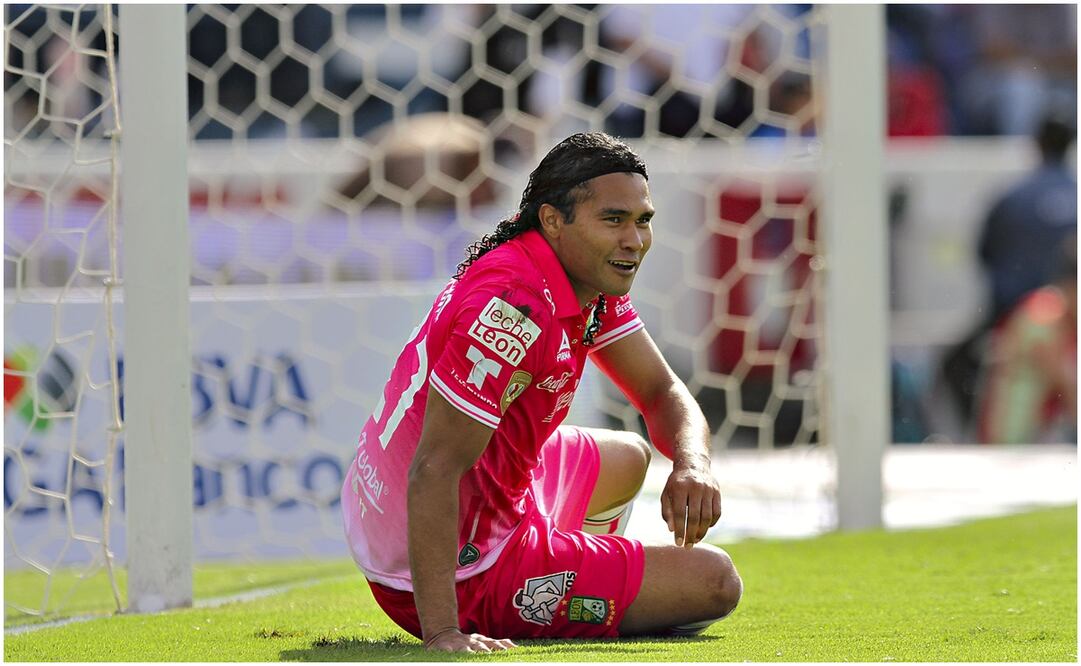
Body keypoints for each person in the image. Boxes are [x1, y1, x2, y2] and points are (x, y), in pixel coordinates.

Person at [341, 132, 742, 652]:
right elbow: (434, 469)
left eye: (642, 220)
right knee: (714, 582)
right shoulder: (511, 312)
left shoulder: (577, 272)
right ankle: (546, 588)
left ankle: (564, 571)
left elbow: (661, 391)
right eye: (613, 220)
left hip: (473, 498)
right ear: (554, 220)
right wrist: (443, 632)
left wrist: (693, 463)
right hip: (452, 566)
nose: (634, 240)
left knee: (629, 456)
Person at [939, 107, 1076, 434]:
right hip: (1068, 320)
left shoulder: (1013, 197)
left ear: (1037, 143)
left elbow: (984, 253)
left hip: (1015, 317)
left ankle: (972, 441)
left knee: (956, 367)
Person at [976, 238, 1077, 444]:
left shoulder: (1055, 314)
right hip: (1015, 440)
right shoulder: (1044, 317)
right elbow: (1071, 393)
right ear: (1070, 286)